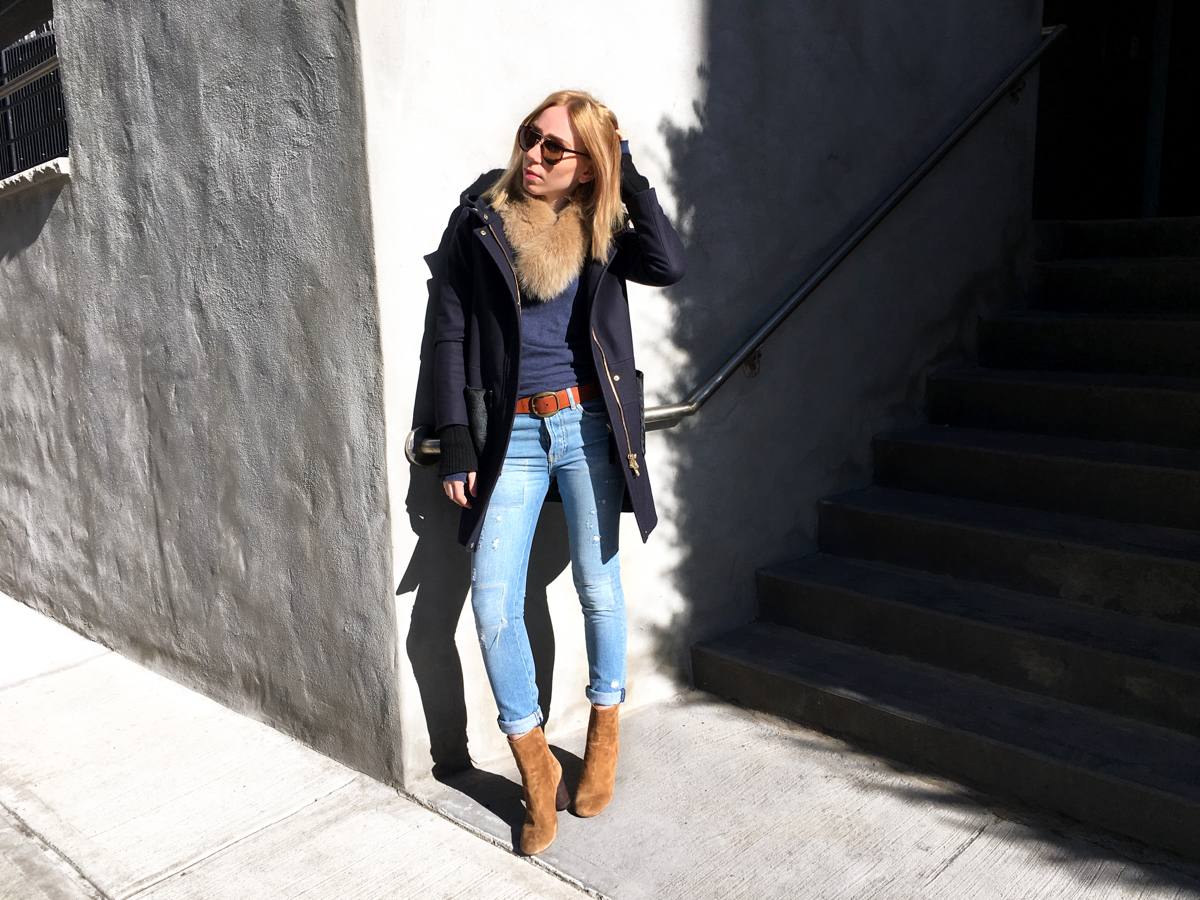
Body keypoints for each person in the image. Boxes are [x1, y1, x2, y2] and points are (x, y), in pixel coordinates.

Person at [433, 89, 685, 855]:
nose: (534, 155)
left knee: (597, 587)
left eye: (555, 148)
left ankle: (605, 728)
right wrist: (455, 436)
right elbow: (449, 326)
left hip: (587, 427)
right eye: (529, 137)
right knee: (492, 601)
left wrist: (624, 166)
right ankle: (536, 767)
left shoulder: (603, 226)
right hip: (508, 432)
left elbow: (668, 262)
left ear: (586, 166)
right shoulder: (481, 217)